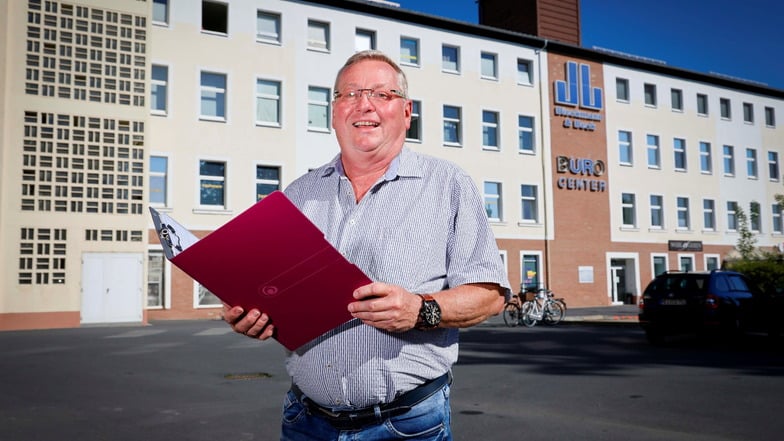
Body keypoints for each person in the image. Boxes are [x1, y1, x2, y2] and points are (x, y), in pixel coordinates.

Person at [223, 50, 510, 440]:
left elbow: (490, 295)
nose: (364, 105)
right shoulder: (298, 194)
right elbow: (276, 291)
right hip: (305, 421)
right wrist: (254, 315)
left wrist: (420, 309)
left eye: (381, 94)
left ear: (407, 112)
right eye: (350, 94)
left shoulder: (448, 184)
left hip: (406, 425)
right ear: (334, 112)